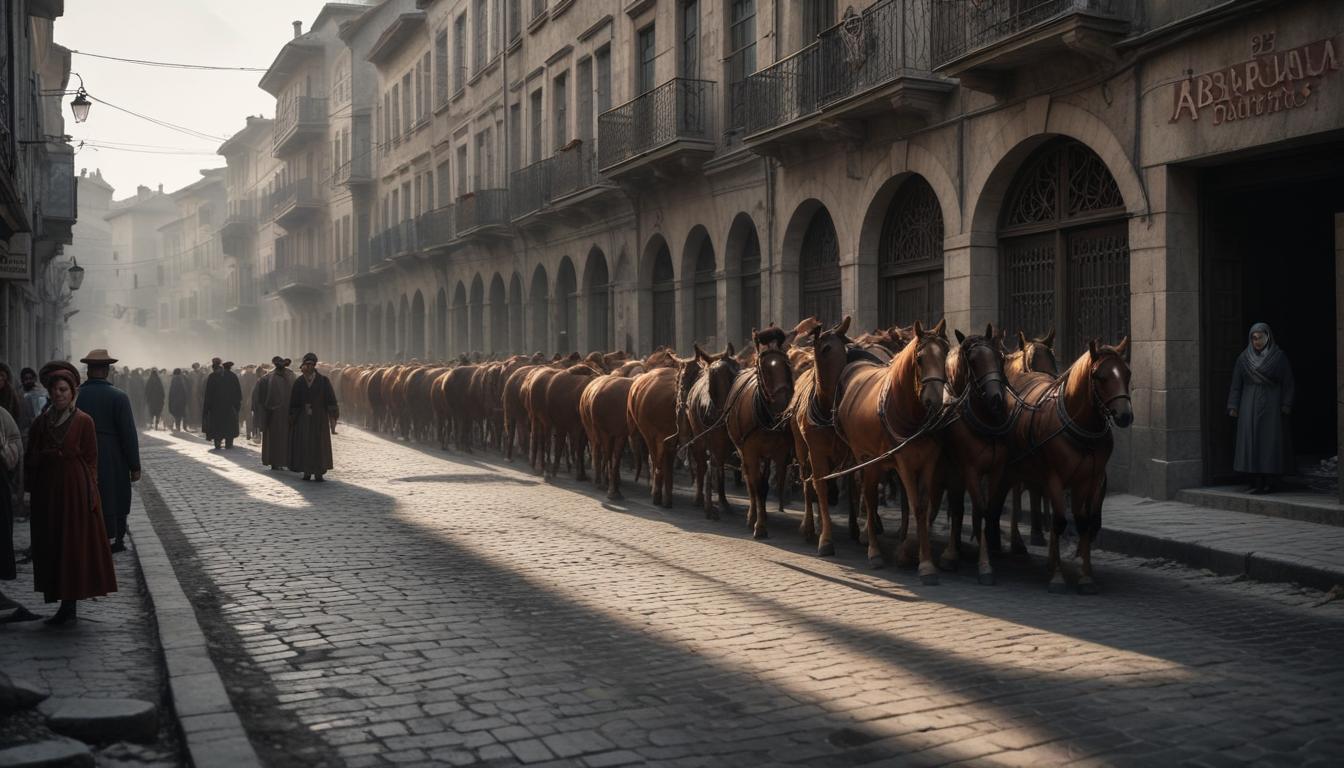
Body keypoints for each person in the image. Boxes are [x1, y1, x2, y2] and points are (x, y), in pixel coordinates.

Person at [26, 361, 118, 625]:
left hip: (75, 491)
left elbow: (91, 459)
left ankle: (71, 605)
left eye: (64, 390)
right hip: (48, 492)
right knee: (53, 543)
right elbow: (31, 455)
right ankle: (59, 599)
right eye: (55, 390)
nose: (59, 395)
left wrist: (91, 491)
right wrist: (36, 475)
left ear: (72, 392)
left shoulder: (84, 421)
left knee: (72, 545)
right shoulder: (41, 423)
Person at [76, 349, 142, 553]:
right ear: (107, 371)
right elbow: (128, 433)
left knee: (86, 493)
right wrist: (134, 465)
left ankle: (87, 536)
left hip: (82, 453)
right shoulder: (119, 396)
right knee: (116, 494)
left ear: (88, 371)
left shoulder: (76, 395)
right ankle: (117, 538)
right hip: (112, 453)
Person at [1228, 322, 1296, 494]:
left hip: (1271, 404)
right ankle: (1254, 480)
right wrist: (1233, 405)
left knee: (1269, 443)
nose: (1257, 341)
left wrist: (1286, 404)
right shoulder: (1243, 358)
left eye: (1261, 337)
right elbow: (1236, 385)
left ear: (1268, 337)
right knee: (1251, 441)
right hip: (1248, 404)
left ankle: (1270, 481)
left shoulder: (1278, 357)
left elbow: (1288, 383)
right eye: (1254, 338)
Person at [288, 353, 339, 482]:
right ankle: (307, 471)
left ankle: (319, 472)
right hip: (303, 419)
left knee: (319, 445)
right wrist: (293, 417)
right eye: (307, 365)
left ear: (314, 366)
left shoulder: (323, 381)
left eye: (311, 365)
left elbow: (331, 399)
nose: (309, 367)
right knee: (305, 444)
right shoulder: (299, 382)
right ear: (303, 366)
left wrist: (333, 414)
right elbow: (293, 402)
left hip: (319, 418)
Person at [261, 357, 296, 471]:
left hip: (286, 413)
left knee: (285, 438)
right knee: (275, 438)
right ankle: (275, 461)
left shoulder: (290, 376)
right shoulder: (269, 377)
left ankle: (284, 461)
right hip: (274, 414)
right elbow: (263, 396)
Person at [201, 358, 242, 451]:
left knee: (217, 426)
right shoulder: (232, 376)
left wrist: (207, 407)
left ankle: (218, 442)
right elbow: (237, 393)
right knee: (229, 425)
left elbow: (208, 394)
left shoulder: (212, 376)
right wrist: (237, 405)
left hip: (216, 407)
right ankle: (228, 443)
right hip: (229, 406)